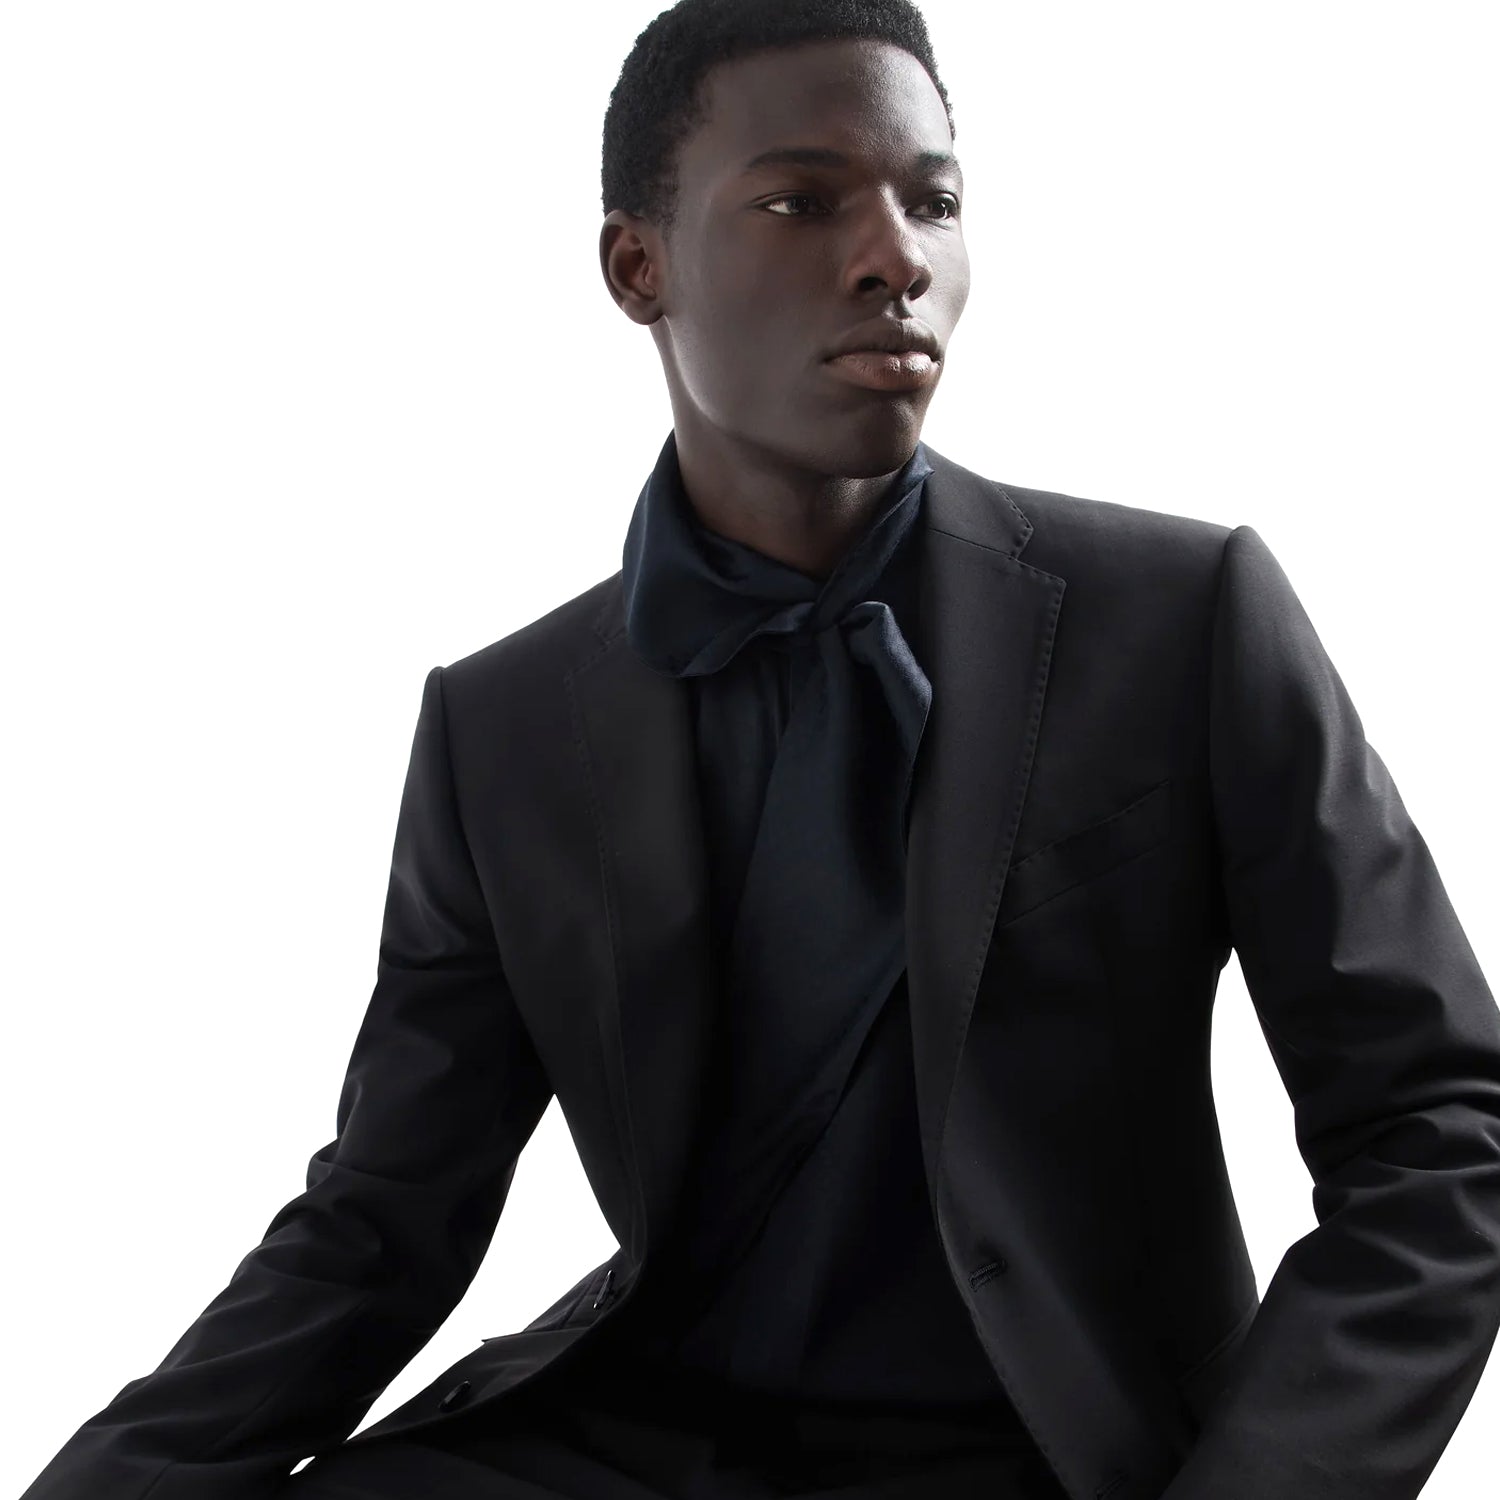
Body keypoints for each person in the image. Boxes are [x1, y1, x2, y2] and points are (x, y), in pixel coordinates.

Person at [22, 1, 1500, 1497]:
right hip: (634, 1435)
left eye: (933, 202)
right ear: (637, 267)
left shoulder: (1182, 618)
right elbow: (381, 1221)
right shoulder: (504, 727)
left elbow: (1445, 1129)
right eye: (802, 201)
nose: (895, 258)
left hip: (1046, 1449)